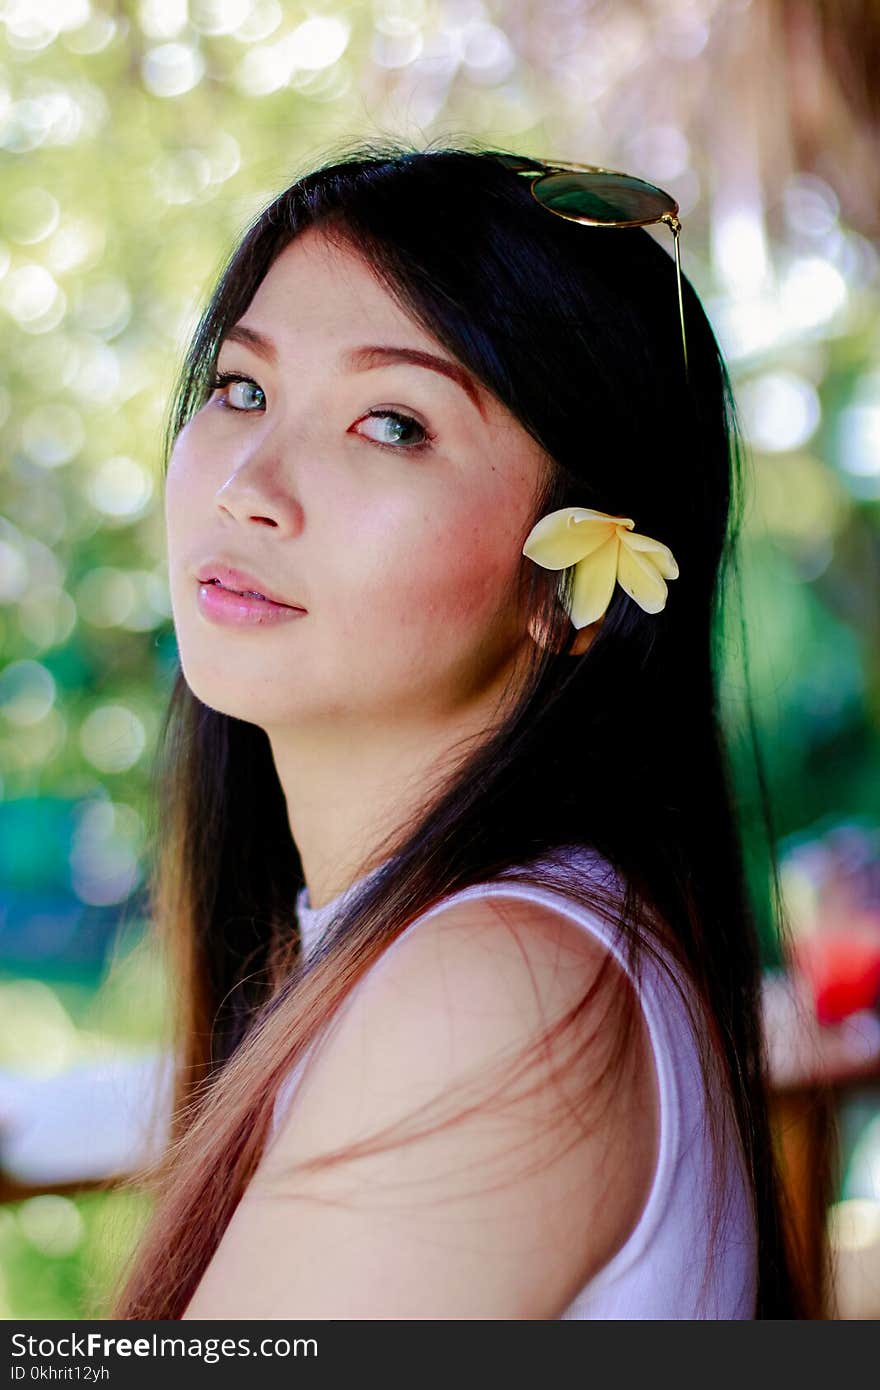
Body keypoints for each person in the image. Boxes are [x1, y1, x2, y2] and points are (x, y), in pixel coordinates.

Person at [106, 139, 823, 1320]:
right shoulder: (387, 948)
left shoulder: (498, 990)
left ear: (570, 588)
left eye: (391, 423)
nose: (247, 480)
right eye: (242, 387)